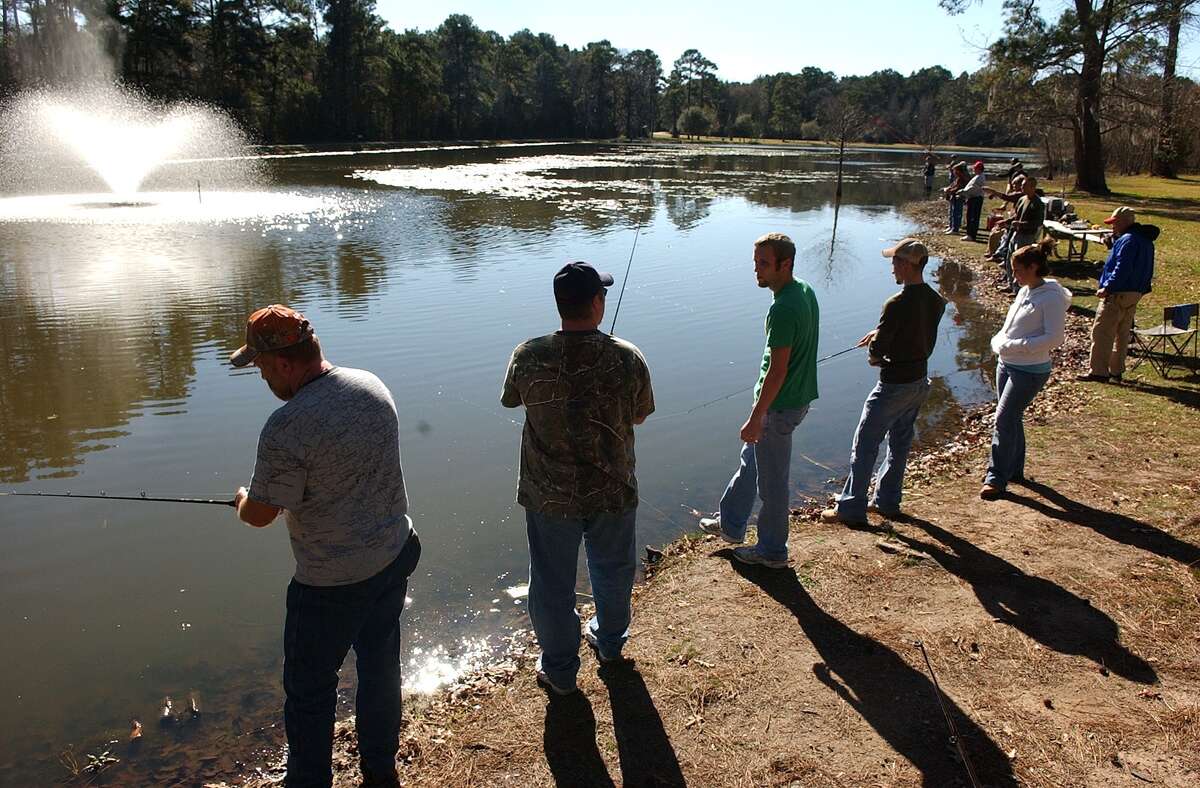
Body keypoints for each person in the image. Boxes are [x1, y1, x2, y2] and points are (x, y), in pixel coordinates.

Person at [230, 304, 420, 788]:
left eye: (262, 367)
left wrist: (242, 500)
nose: (263, 377)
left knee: (310, 692)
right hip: (393, 554)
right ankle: (380, 768)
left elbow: (260, 515)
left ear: (286, 363)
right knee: (379, 666)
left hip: (331, 584)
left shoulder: (287, 426)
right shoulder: (370, 384)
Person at [501, 262, 654, 695]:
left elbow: (511, 400)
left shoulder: (528, 355)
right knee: (613, 570)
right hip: (613, 488)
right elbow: (640, 414)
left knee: (551, 582)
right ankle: (609, 644)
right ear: (597, 303)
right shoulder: (628, 357)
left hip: (548, 494)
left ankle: (561, 671)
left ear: (560, 304)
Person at [698, 233, 819, 568]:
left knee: (773, 482)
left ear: (786, 264)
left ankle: (772, 551)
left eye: (764, 264)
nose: (757, 270)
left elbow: (777, 371)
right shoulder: (803, 290)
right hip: (794, 399)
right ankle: (731, 525)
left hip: (779, 406)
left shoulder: (783, 308)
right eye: (755, 263)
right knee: (751, 463)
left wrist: (756, 416)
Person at [820, 238, 946, 525]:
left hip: (893, 385)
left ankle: (851, 509)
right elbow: (915, 330)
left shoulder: (896, 303)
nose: (891, 268)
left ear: (906, 264)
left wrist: (875, 353)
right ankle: (888, 502)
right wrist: (880, 332)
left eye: (894, 262)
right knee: (900, 443)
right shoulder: (936, 300)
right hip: (919, 381)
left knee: (864, 443)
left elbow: (877, 355)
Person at [980, 240, 1072, 499]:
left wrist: (1014, 346)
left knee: (1003, 418)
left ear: (1034, 267)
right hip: (1006, 364)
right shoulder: (1024, 290)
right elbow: (1009, 327)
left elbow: (1054, 338)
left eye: (1018, 270)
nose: (1014, 275)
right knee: (1011, 417)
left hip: (1030, 371)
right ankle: (1014, 470)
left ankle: (996, 478)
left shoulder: (1051, 297)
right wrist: (998, 342)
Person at [1076, 206, 1159, 383]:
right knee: (1122, 335)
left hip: (1117, 293)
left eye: (1116, 223)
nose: (1113, 227)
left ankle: (1099, 371)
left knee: (1103, 333)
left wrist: (1108, 287)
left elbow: (1122, 267)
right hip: (1135, 293)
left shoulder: (1127, 240)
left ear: (1126, 222)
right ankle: (1116, 371)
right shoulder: (1146, 241)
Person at [986, 175, 1044, 293]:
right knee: (1009, 258)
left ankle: (1018, 289)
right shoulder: (1022, 199)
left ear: (1032, 187)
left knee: (1021, 262)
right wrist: (1006, 222)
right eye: (1021, 186)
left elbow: (1038, 222)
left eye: (1024, 186)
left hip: (1027, 235)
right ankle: (1010, 284)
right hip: (1016, 233)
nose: (1021, 189)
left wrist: (1021, 224)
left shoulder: (1037, 203)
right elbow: (1015, 216)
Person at [960, 161, 987, 242]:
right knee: (971, 217)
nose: (974, 170)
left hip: (975, 198)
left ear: (979, 169)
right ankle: (970, 234)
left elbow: (972, 188)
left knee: (972, 217)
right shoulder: (978, 176)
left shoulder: (979, 177)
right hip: (974, 198)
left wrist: (962, 192)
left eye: (975, 168)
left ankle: (971, 235)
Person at [942, 162, 969, 235]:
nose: (953, 172)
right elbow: (953, 185)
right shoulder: (957, 178)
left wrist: (949, 191)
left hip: (958, 198)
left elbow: (957, 188)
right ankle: (951, 226)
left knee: (956, 213)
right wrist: (948, 188)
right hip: (953, 198)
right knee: (951, 212)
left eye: (955, 170)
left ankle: (955, 229)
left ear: (959, 171)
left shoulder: (962, 179)